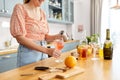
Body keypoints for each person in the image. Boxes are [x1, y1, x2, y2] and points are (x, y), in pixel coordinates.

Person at [10, 0, 63, 67]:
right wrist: (47, 50)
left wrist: (57, 36)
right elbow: (20, 38)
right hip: (28, 55)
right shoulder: (20, 8)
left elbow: (44, 37)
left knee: (43, 76)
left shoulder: (42, 13)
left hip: (43, 54)